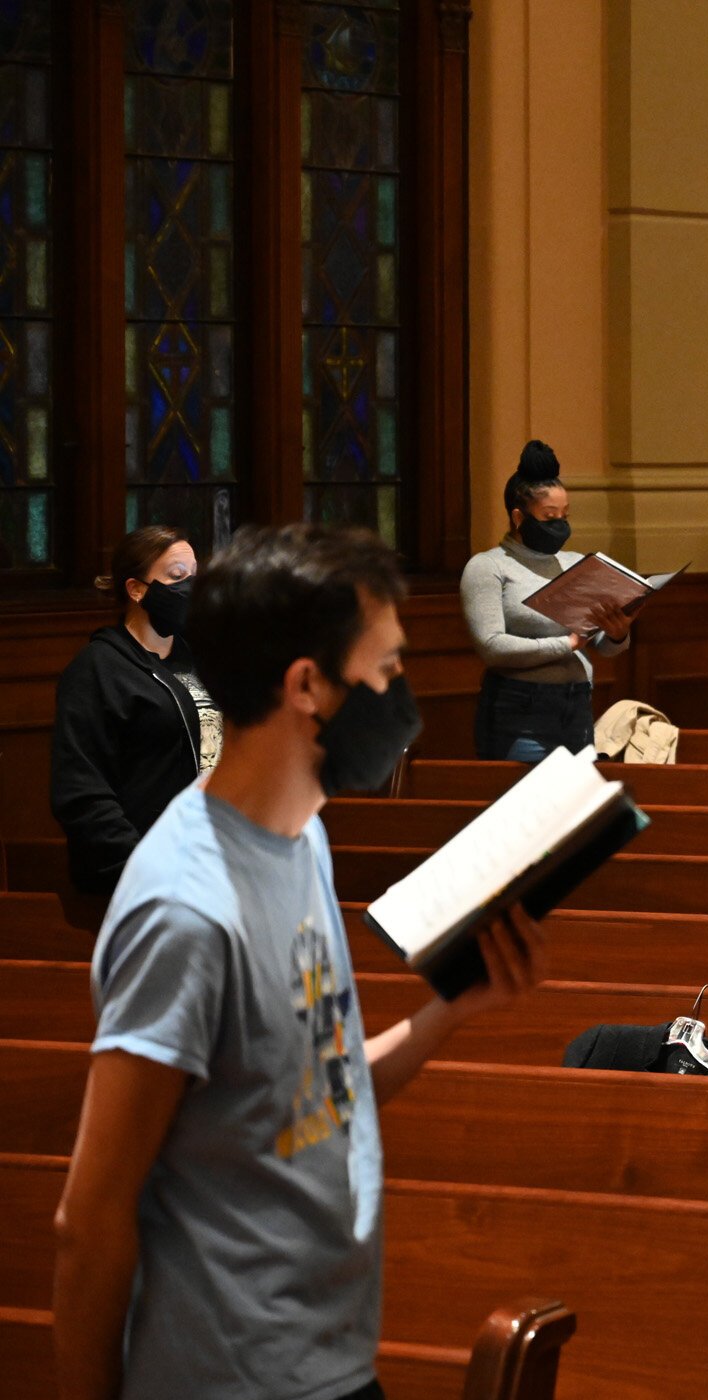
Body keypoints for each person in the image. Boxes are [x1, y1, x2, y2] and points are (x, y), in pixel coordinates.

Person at [52, 523, 549, 1400]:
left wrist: (451, 1007)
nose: (400, 692)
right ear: (308, 685)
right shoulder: (184, 907)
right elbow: (89, 1223)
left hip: (327, 1366)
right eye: (386, 667)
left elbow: (321, 1094)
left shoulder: (300, 837)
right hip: (229, 1378)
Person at [49, 525, 224, 896]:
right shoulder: (98, 669)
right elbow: (82, 791)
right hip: (145, 879)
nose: (190, 587)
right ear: (137, 589)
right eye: (177, 576)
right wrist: (142, 868)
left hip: (210, 863)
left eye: (195, 575)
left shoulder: (203, 657)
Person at [460, 440, 633, 762]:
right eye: (549, 516)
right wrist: (565, 644)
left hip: (577, 706)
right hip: (520, 710)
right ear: (519, 517)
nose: (560, 525)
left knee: (581, 794)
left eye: (565, 515)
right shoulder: (489, 566)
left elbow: (600, 644)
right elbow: (491, 646)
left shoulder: (574, 563)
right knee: (529, 794)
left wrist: (617, 633)